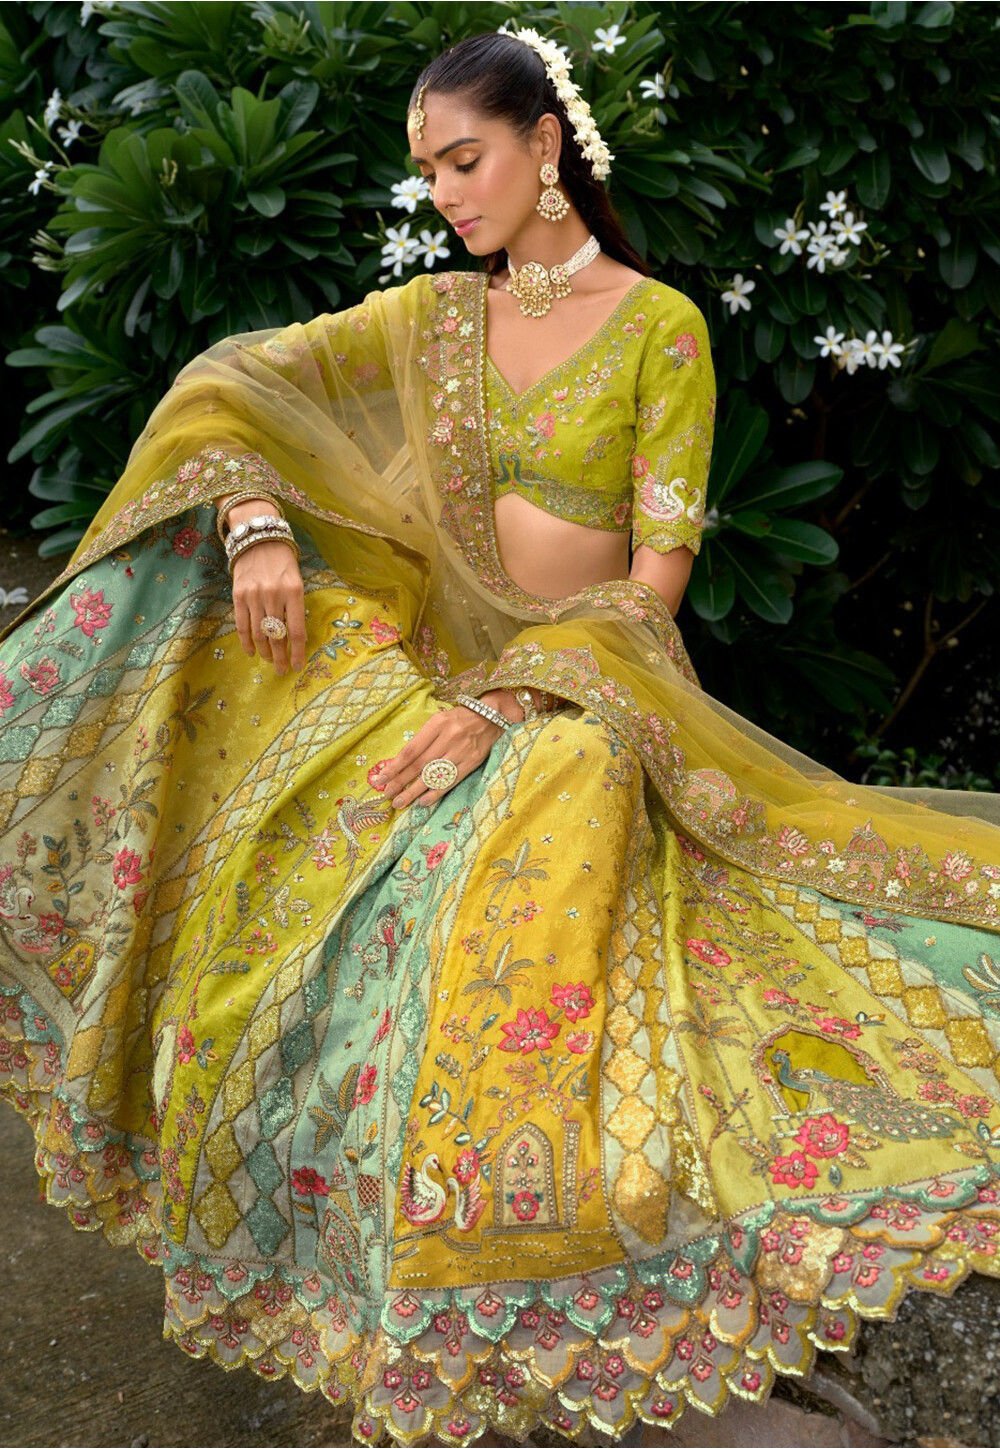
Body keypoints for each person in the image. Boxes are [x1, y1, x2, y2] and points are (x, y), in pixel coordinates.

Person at [2, 23, 1000, 1449]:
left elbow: (654, 584)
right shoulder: (430, 320)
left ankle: (530, 1278)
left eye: (465, 160)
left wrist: (519, 697)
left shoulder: (662, 328)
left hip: (589, 682)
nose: (447, 193)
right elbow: (234, 379)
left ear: (545, 145)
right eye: (430, 171)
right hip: (426, 672)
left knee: (558, 808)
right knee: (263, 740)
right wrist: (258, 517)